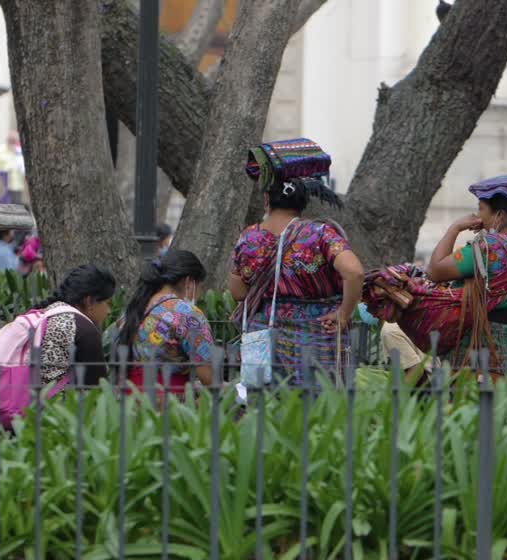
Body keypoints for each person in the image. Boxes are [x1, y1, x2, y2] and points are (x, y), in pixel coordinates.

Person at [230, 139, 363, 385]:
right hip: (318, 334)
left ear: (267, 200)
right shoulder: (320, 234)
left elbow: (238, 292)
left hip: (266, 335)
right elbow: (354, 272)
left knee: (268, 408)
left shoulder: (249, 237)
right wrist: (344, 314)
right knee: (318, 409)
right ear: (303, 204)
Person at [426, 173, 507, 374]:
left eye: (481, 209)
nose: (477, 216)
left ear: (500, 216)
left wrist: (455, 228)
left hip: (475, 355)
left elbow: (434, 271)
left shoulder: (490, 248)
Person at [117, 250, 216, 396]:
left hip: (129, 401)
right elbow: (211, 378)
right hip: (169, 405)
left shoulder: (132, 310)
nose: (200, 293)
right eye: (200, 286)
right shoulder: (188, 314)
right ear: (189, 282)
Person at [32, 264, 114, 388]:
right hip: (53, 404)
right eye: (107, 303)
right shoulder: (84, 329)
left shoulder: (46, 313)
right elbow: (97, 390)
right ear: (89, 301)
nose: (109, 311)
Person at [0, 130, 26, 205]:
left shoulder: (21, 151)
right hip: (1, 185)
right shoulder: (0, 149)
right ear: (7, 140)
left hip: (16, 185)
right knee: (1, 207)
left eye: (14, 140)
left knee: (16, 206)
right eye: (10, 140)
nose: (12, 142)